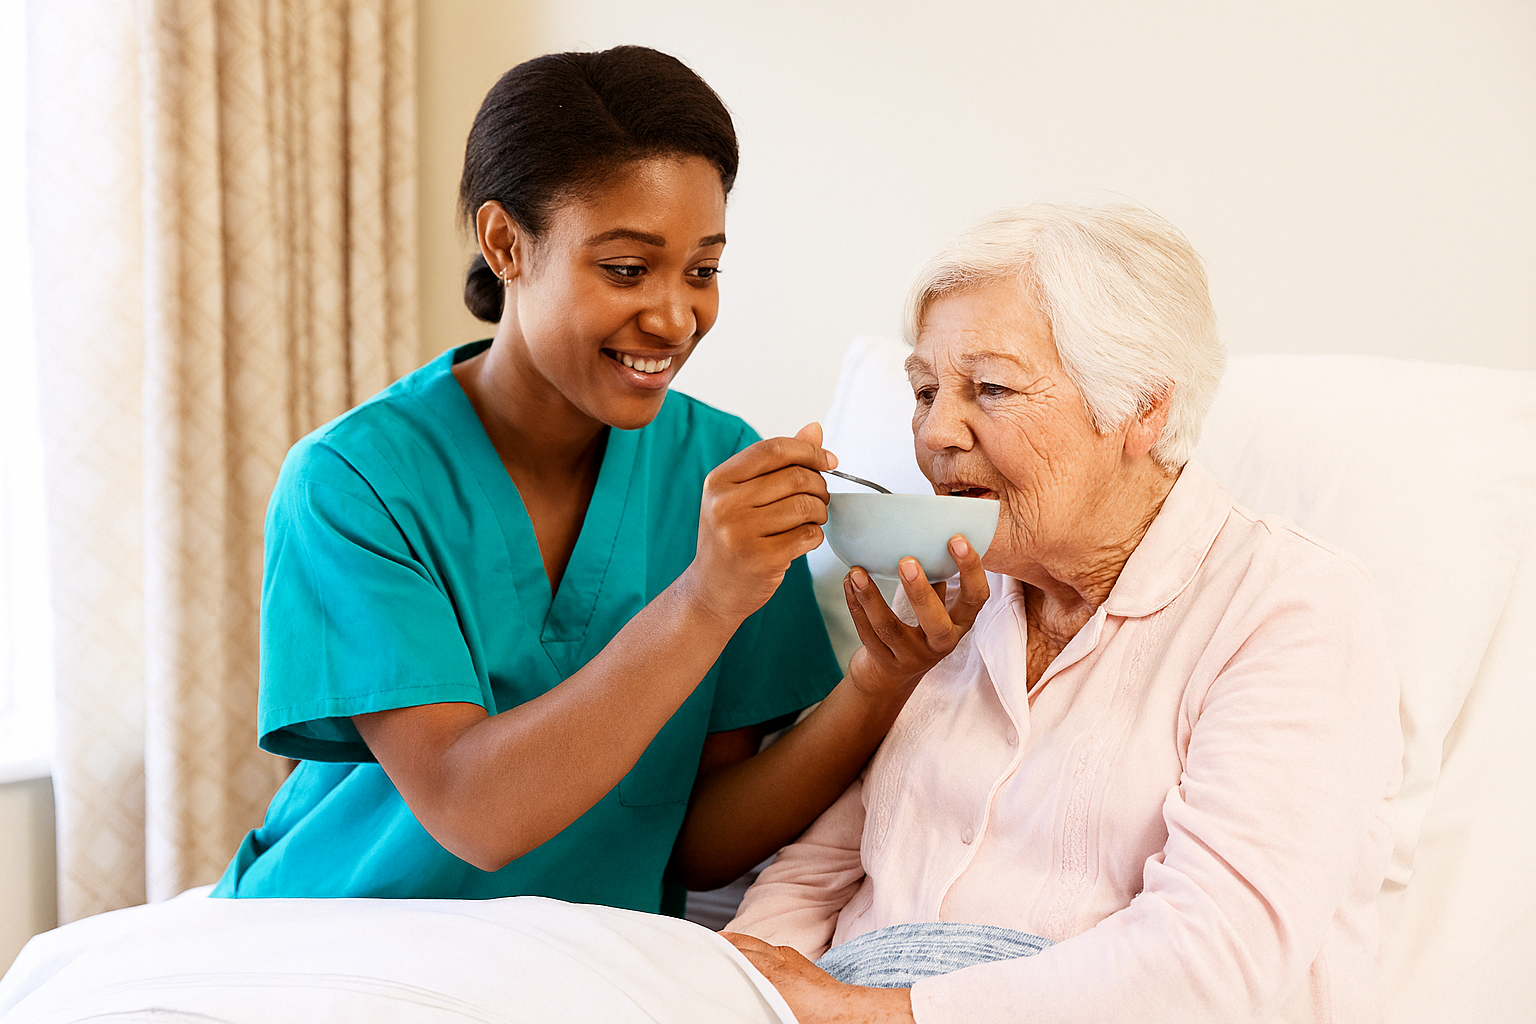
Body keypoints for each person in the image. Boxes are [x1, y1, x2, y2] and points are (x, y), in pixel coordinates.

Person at [211, 45, 989, 911]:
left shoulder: (721, 473)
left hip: (587, 955)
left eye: (703, 270)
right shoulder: (353, 484)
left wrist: (879, 683)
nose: (675, 317)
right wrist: (705, 599)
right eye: (627, 269)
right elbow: (476, 814)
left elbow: (701, 844)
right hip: (336, 930)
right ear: (506, 244)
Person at [724, 202, 1403, 1024]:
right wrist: (736, 993)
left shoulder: (1290, 608)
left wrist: (859, 1013)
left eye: (991, 388)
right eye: (925, 390)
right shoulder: (942, 594)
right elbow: (818, 874)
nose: (936, 432)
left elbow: (1213, 961)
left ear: (1143, 408)